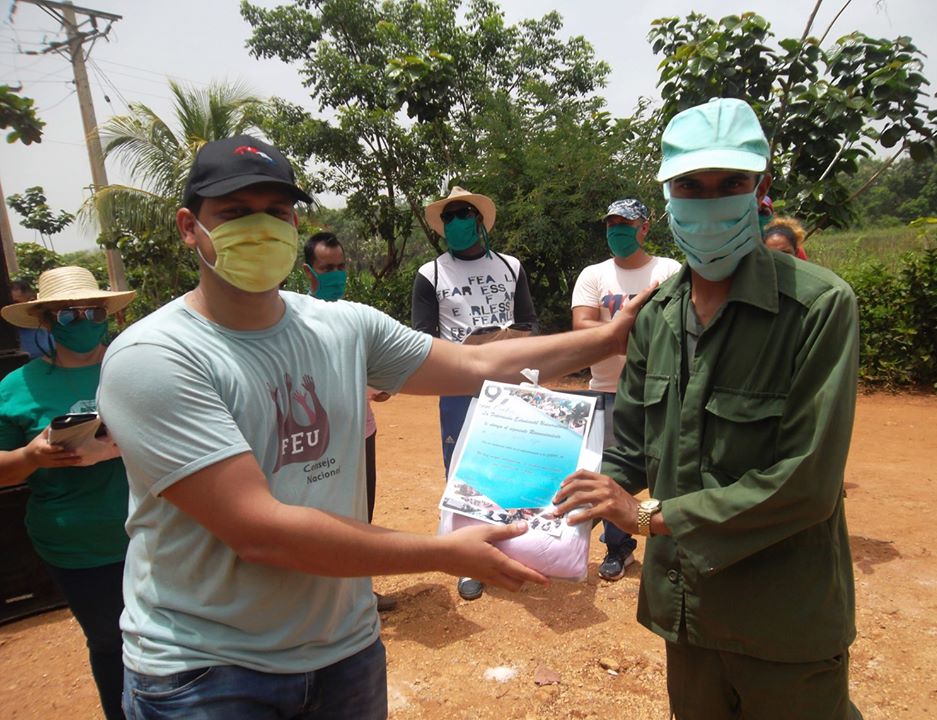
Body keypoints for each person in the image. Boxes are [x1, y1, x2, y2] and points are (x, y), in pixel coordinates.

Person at [96, 135, 652, 720]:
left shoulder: (345, 328)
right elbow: (260, 531)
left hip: (346, 648)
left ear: (294, 224)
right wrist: (441, 553)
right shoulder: (156, 357)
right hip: (209, 671)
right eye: (235, 213)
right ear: (190, 227)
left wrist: (607, 338)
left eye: (276, 212)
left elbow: (478, 364)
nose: (259, 228)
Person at [554, 98, 861, 719]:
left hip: (784, 618)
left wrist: (646, 516)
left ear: (760, 189)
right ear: (668, 195)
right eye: (692, 185)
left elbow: (806, 483)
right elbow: (628, 448)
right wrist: (545, 507)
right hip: (687, 610)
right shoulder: (657, 314)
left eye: (731, 184)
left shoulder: (818, 307)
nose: (710, 200)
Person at [0, 266, 135, 720]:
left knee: (184, 636)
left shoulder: (138, 365)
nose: (82, 321)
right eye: (66, 314)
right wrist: (31, 456)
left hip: (159, 532)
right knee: (111, 643)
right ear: (45, 321)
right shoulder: (16, 388)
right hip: (80, 547)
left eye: (92, 311)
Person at [411, 185, 539, 601]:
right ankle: (468, 561)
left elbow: (528, 321)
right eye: (448, 217)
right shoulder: (431, 274)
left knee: (512, 466)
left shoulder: (511, 267)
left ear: (480, 221)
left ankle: (513, 548)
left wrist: (509, 343)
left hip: (510, 383)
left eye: (463, 214)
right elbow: (422, 337)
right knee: (463, 470)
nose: (455, 222)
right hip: (458, 386)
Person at [571, 198, 680, 581]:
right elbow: (581, 325)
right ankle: (618, 548)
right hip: (605, 390)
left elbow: (677, 326)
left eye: (625, 223)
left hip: (661, 392)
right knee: (610, 474)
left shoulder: (668, 270)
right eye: (611, 224)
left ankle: (674, 545)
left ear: (644, 227)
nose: (616, 230)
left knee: (668, 470)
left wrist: (613, 333)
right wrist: (639, 334)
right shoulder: (594, 274)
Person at [303, 230, 396, 612]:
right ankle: (319, 599)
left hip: (362, 432)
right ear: (308, 272)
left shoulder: (356, 319)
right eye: (328, 268)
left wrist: (377, 388)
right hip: (321, 441)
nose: (337, 275)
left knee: (361, 512)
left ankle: (359, 592)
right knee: (323, 517)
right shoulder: (294, 321)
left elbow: (369, 371)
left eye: (341, 267)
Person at [8, 278, 55, 359]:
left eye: (15, 302)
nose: (10, 307)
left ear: (31, 301)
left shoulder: (49, 324)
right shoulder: (6, 332)